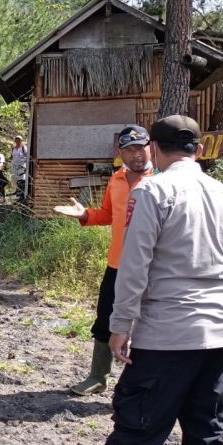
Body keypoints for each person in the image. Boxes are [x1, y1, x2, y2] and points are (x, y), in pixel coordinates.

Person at [57, 115, 223, 445]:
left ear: (157, 151)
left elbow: (135, 264)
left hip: (168, 330)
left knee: (139, 419)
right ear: (198, 150)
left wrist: (120, 325)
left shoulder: (154, 191)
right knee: (207, 425)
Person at [53, 125, 153, 396]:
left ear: (150, 147)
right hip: (117, 264)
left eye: (140, 148)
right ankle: (98, 377)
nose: (136, 155)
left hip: (152, 268)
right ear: (120, 153)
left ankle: (147, 382)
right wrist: (85, 214)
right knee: (105, 319)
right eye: (129, 149)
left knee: (149, 324)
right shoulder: (116, 180)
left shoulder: (163, 180)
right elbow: (108, 214)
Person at [11, 135, 29, 200]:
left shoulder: (24, 148)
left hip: (22, 166)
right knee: (14, 178)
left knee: (21, 179)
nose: (17, 141)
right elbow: (12, 156)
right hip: (14, 166)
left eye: (19, 140)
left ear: (21, 140)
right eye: (16, 140)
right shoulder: (13, 148)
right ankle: (17, 191)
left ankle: (21, 193)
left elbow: (27, 156)